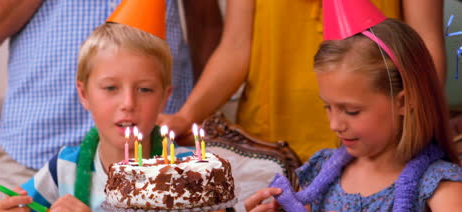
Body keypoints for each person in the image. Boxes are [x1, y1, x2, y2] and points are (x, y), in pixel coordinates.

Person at [244, 4, 462, 212]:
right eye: (328, 107)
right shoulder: (321, 174)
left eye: (351, 111)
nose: (335, 124)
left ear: (404, 102)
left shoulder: (435, 180)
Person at [0, 15, 226, 212]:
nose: (128, 103)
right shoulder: (64, 168)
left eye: (144, 89)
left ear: (165, 97)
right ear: (83, 94)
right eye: (111, 88)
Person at [158, 0, 447, 164]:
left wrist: (414, 124)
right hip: (273, 146)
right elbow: (235, 48)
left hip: (382, 143)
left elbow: (426, 47)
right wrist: (186, 115)